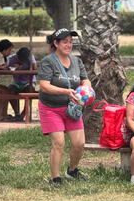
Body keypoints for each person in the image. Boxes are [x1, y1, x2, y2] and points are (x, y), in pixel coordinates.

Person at [37, 29, 93, 185]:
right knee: (59, 142)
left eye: (70, 41)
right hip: (50, 107)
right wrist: (66, 91)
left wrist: (87, 90)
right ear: (56, 43)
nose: (69, 45)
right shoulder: (48, 61)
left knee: (79, 143)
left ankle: (72, 171)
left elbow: (85, 80)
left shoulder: (77, 61)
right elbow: (44, 86)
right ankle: (55, 178)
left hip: (72, 108)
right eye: (65, 42)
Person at [7, 47, 38, 122]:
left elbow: (35, 69)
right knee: (10, 91)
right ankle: (17, 113)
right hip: (16, 82)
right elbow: (6, 67)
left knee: (29, 91)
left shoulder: (30, 58)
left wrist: (32, 63)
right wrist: (14, 67)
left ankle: (23, 114)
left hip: (28, 82)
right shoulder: (12, 58)